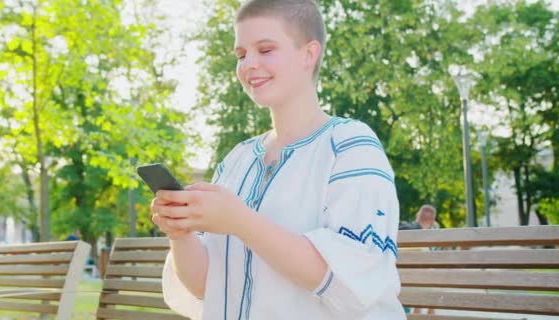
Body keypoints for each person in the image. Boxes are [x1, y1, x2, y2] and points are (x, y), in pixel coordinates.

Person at [150, 1, 405, 318]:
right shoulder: (236, 160)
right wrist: (181, 232)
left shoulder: (350, 145)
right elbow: (205, 287)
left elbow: (350, 281)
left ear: (309, 54)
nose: (248, 65)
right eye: (241, 55)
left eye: (266, 49)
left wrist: (239, 221)